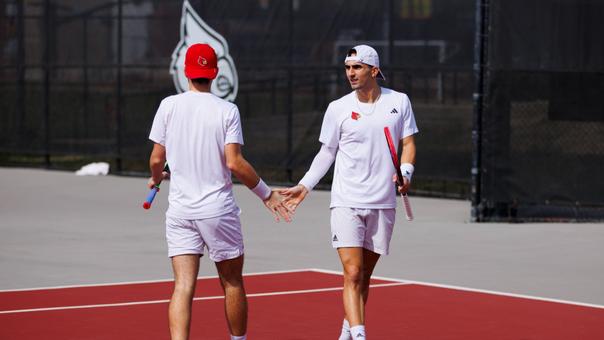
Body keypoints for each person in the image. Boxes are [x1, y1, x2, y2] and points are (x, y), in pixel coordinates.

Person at [147, 43, 291, 340]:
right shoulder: (227, 110)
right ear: (214, 74)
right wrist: (267, 194)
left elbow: (156, 159)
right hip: (217, 211)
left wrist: (156, 178)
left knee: (183, 286)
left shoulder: (168, 106)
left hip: (181, 212)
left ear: (185, 71)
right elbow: (234, 162)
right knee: (232, 283)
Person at [280, 45, 418, 339]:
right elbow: (326, 153)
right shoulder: (338, 108)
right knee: (352, 273)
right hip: (346, 201)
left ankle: (346, 332)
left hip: (383, 203)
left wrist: (406, 173)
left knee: (364, 276)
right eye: (347, 67)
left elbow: (408, 144)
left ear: (374, 70)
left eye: (357, 67)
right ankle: (358, 334)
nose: (350, 73)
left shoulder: (400, 102)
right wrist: (305, 185)